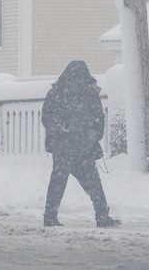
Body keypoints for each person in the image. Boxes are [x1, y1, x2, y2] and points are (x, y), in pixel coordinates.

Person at [41, 60, 121, 228]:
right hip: (82, 148)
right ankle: (101, 215)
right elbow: (98, 119)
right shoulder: (89, 92)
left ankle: (50, 216)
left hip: (65, 148)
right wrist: (92, 137)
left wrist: (60, 132)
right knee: (93, 183)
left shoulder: (57, 93)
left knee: (58, 182)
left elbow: (47, 117)